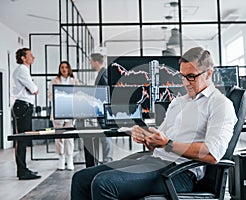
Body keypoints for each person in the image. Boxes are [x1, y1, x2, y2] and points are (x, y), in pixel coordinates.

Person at [71, 47, 237, 199]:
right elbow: (159, 142)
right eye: (182, 76)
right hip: (155, 160)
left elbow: (212, 154)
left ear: (209, 73)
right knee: (81, 178)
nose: (185, 82)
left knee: (103, 183)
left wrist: (167, 144)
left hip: (179, 172)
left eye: (191, 76)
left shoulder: (220, 105)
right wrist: (147, 137)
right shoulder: (178, 102)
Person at [11, 48, 41, 180]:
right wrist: (34, 87)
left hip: (24, 107)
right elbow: (34, 89)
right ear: (23, 58)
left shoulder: (23, 70)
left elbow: (32, 89)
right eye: (30, 55)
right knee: (22, 140)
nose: (33, 57)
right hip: (23, 106)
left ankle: (23, 169)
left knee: (23, 139)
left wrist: (33, 88)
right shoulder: (22, 69)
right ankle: (22, 172)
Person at [83, 53, 114, 167]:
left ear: (96, 62)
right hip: (101, 109)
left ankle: (108, 161)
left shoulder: (103, 73)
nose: (90, 63)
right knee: (103, 135)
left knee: (106, 136)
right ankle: (107, 160)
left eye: (91, 61)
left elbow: (106, 92)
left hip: (104, 110)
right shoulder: (101, 73)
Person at [48, 61, 79, 170]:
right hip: (58, 112)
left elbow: (78, 95)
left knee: (69, 137)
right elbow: (50, 96)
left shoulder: (74, 81)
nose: (64, 69)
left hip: (70, 111)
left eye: (66, 67)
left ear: (69, 68)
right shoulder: (54, 81)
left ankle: (69, 159)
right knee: (59, 137)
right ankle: (60, 158)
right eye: (62, 67)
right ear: (59, 69)